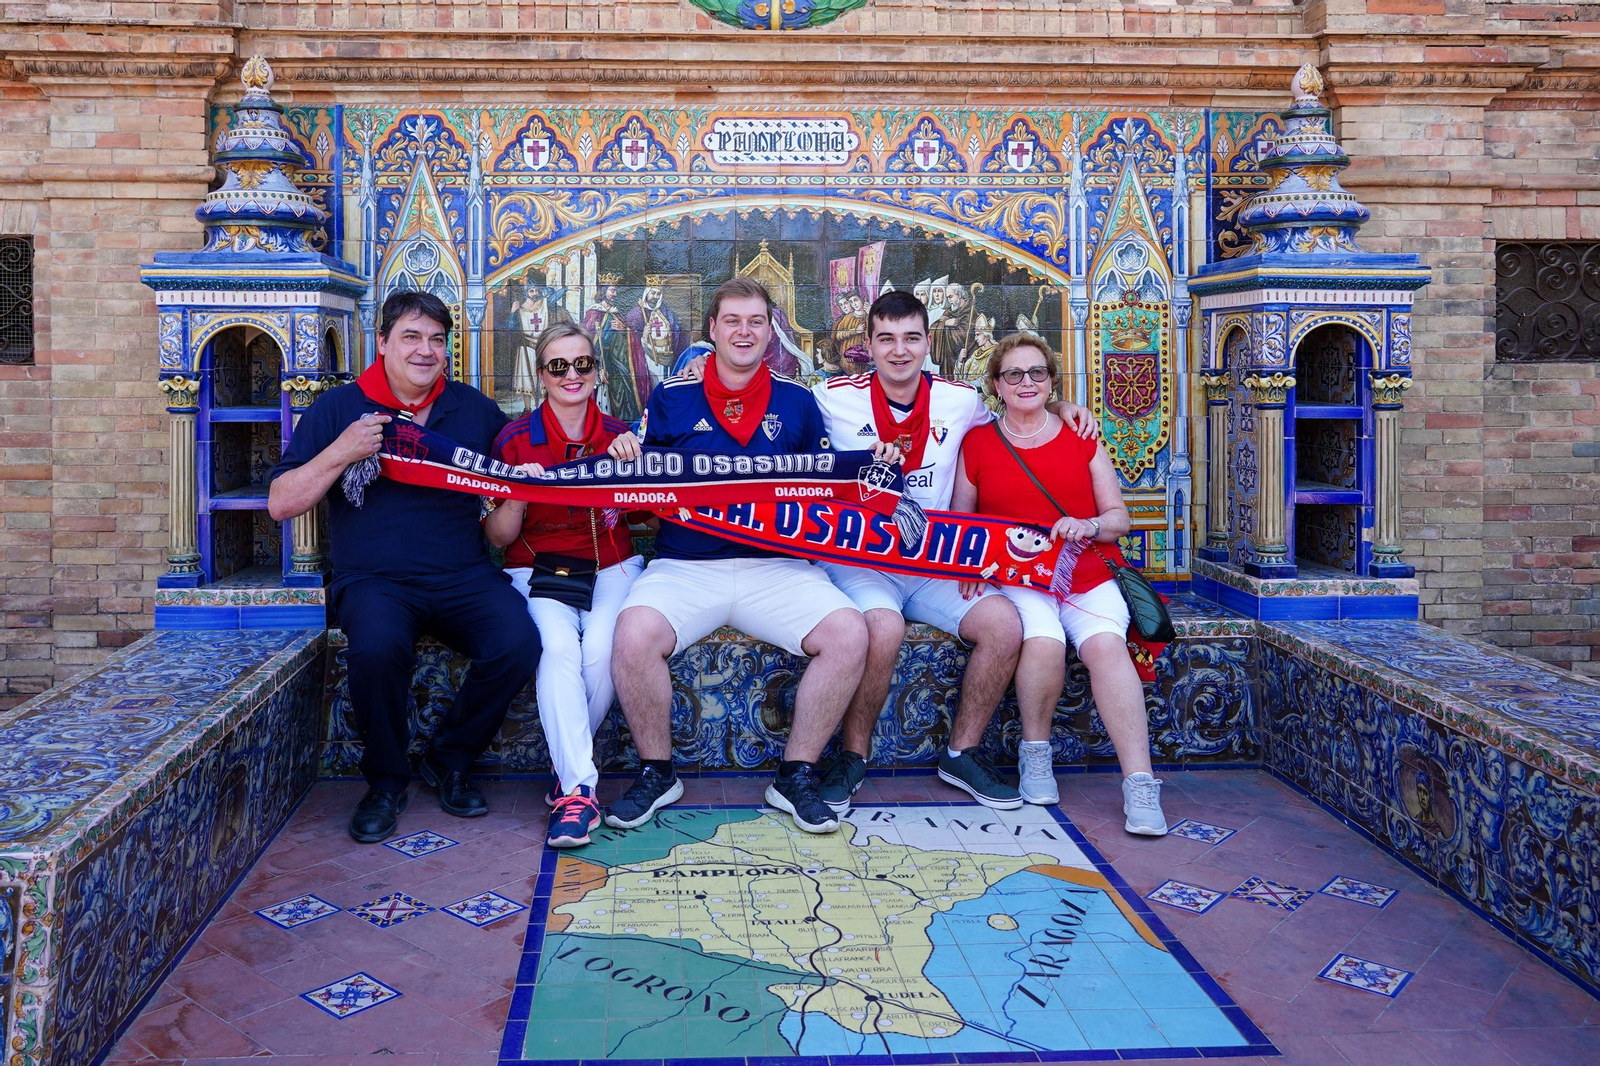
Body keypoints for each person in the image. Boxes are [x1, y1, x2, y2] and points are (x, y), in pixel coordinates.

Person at [808, 291, 1098, 812]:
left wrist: (1061, 406)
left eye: (911, 338)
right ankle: (853, 757)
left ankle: (961, 752)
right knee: (884, 626)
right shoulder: (832, 396)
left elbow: (1016, 408)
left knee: (1004, 625)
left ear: (927, 343)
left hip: (936, 560)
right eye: (887, 339)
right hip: (862, 560)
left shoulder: (960, 400)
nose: (900, 351)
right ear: (867, 346)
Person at [606, 277, 875, 835]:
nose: (744, 332)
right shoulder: (671, 397)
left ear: (770, 329)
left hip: (776, 568)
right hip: (685, 567)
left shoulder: (798, 401)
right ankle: (659, 772)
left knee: (850, 633)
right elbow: (639, 484)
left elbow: (827, 486)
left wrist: (873, 466)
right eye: (732, 320)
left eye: (756, 321)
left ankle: (794, 775)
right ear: (712, 328)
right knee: (632, 635)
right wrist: (626, 451)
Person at [268, 291, 539, 843]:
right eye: (412, 337)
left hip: (462, 574)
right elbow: (281, 502)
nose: (425, 350)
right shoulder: (340, 409)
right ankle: (385, 782)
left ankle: (450, 757)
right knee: (374, 649)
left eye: (437, 340)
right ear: (384, 342)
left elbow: (514, 476)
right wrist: (342, 451)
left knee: (518, 642)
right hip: (375, 581)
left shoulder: (474, 410)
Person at [951, 333, 1167, 835]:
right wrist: (966, 566)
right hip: (1021, 575)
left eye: (1037, 373)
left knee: (1107, 647)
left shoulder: (1080, 434)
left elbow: (1119, 517)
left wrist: (1088, 525)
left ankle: (1140, 784)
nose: (1027, 382)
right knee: (1043, 641)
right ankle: (1036, 757)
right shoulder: (979, 442)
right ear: (996, 386)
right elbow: (959, 519)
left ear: (1051, 381)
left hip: (1087, 568)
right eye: (1014, 375)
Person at [484, 323, 646, 849]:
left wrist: (632, 469)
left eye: (583, 364)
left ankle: (568, 770)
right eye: (559, 366)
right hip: (536, 569)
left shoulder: (620, 434)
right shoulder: (513, 439)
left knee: (602, 651)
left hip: (612, 566)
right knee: (556, 650)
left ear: (597, 372)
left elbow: (649, 516)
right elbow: (498, 535)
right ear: (541, 376)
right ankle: (578, 792)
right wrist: (521, 493)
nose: (572, 375)